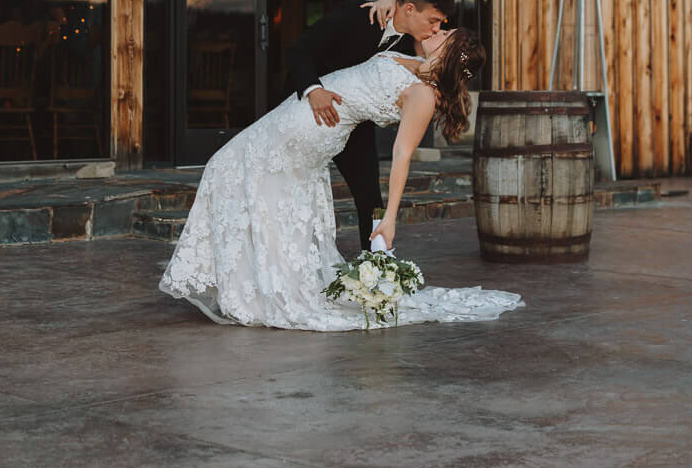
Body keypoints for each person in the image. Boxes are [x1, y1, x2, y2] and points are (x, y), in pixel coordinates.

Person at [159, 27, 523, 332]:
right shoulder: (417, 67)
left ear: (449, 53)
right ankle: (247, 284)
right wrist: (387, 2)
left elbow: (402, 155)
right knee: (253, 185)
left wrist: (390, 217)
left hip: (312, 128)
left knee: (227, 168)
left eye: (445, 33)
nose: (437, 29)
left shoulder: (423, 95)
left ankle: (251, 288)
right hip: (301, 111)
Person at [284, 0, 455, 250]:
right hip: (307, 113)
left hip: (354, 125)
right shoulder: (356, 15)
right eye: (433, 20)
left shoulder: (411, 39)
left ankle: (375, 267)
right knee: (289, 190)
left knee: (371, 199)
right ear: (410, 9)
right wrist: (313, 91)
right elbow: (298, 51)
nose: (436, 28)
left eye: (439, 23)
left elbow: (456, 49)